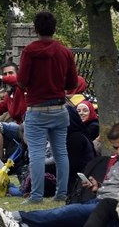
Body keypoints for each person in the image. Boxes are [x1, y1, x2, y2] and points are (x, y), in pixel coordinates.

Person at [0, 123, 119, 227]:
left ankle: (18, 216)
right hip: (100, 199)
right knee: (64, 215)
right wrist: (97, 187)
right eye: (116, 148)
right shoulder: (116, 161)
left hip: (112, 206)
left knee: (67, 212)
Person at [18, 11, 79, 203]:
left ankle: (36, 195)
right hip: (60, 109)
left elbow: (22, 81)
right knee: (61, 152)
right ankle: (61, 193)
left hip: (36, 109)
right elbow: (72, 83)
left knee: (36, 153)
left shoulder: (29, 51)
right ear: (54, 29)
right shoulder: (65, 52)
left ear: (35, 29)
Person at [0, 63, 27, 160]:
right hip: (19, 127)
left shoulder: (22, 87)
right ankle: (1, 161)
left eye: (10, 73)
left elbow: (16, 81)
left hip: (29, 126)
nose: (7, 76)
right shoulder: (10, 94)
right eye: (5, 74)